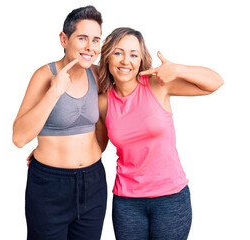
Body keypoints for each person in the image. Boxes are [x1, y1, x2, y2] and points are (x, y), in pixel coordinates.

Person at [96, 27, 224, 240]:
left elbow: (215, 82)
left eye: (133, 54)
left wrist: (178, 69)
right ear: (107, 57)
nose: (126, 60)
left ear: (140, 61)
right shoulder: (103, 103)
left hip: (170, 199)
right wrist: (49, 152)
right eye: (118, 52)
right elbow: (97, 146)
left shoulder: (157, 85)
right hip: (127, 201)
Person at [12, 6, 107, 240]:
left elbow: (109, 121)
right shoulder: (44, 75)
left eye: (96, 40)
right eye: (82, 38)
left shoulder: (98, 75)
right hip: (49, 187)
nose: (90, 47)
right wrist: (54, 92)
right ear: (64, 39)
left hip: (93, 183)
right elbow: (19, 137)